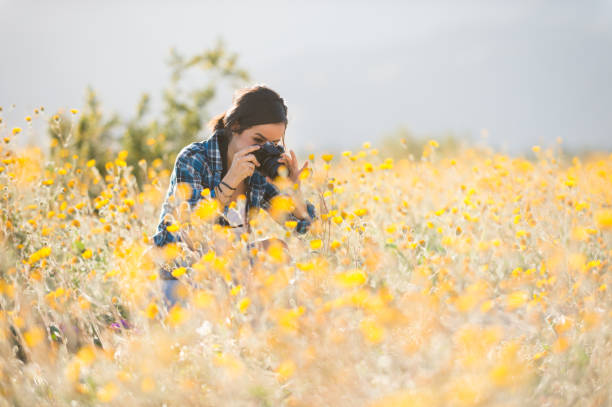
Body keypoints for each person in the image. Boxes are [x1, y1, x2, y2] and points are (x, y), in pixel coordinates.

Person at [151, 84, 318, 308]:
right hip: (178, 275)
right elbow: (189, 232)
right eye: (258, 141)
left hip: (227, 273)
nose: (264, 150)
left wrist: (292, 192)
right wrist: (230, 182)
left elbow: (306, 228)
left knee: (277, 249)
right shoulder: (194, 159)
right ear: (235, 126)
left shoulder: (259, 172)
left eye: (274, 144)